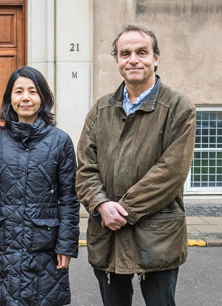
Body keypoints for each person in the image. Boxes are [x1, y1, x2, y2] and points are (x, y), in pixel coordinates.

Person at [76, 23, 196, 306]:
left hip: (157, 237)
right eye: (125, 53)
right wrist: (101, 204)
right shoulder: (101, 109)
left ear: (156, 58)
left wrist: (124, 210)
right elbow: (85, 167)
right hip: (108, 235)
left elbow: (171, 172)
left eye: (142, 52)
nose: (133, 59)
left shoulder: (178, 107)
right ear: (117, 60)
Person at [0, 66, 80, 306]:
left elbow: (69, 199)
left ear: (42, 97)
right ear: (9, 99)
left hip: (45, 246)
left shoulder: (60, 141)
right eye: (18, 91)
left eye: (32, 91)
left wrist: (66, 244)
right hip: (4, 245)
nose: (25, 98)